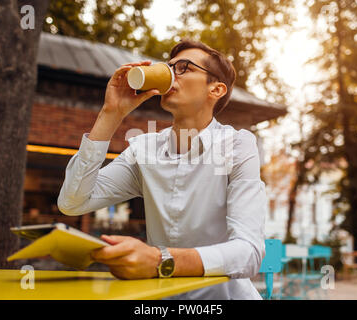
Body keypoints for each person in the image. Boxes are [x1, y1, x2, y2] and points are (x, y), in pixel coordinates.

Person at [57, 39, 267, 300]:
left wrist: (160, 260)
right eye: (168, 67)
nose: (169, 75)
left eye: (183, 67)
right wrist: (111, 113)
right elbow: (72, 202)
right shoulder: (144, 149)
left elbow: (249, 252)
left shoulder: (237, 146)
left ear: (216, 89)